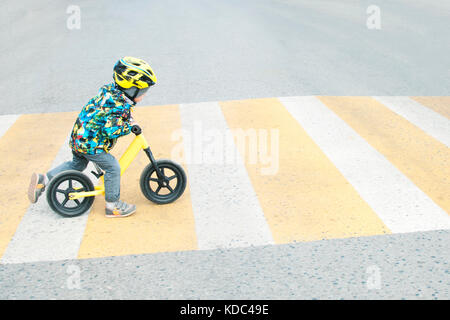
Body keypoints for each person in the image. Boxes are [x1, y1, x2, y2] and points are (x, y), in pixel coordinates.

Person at [27, 56, 157, 218]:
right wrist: (128, 127)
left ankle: (44, 179)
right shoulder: (117, 106)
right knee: (112, 167)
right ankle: (113, 205)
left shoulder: (111, 92)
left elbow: (112, 113)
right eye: (143, 92)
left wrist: (127, 117)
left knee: (77, 164)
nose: (144, 96)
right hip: (90, 144)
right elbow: (112, 130)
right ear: (131, 89)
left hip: (79, 137)